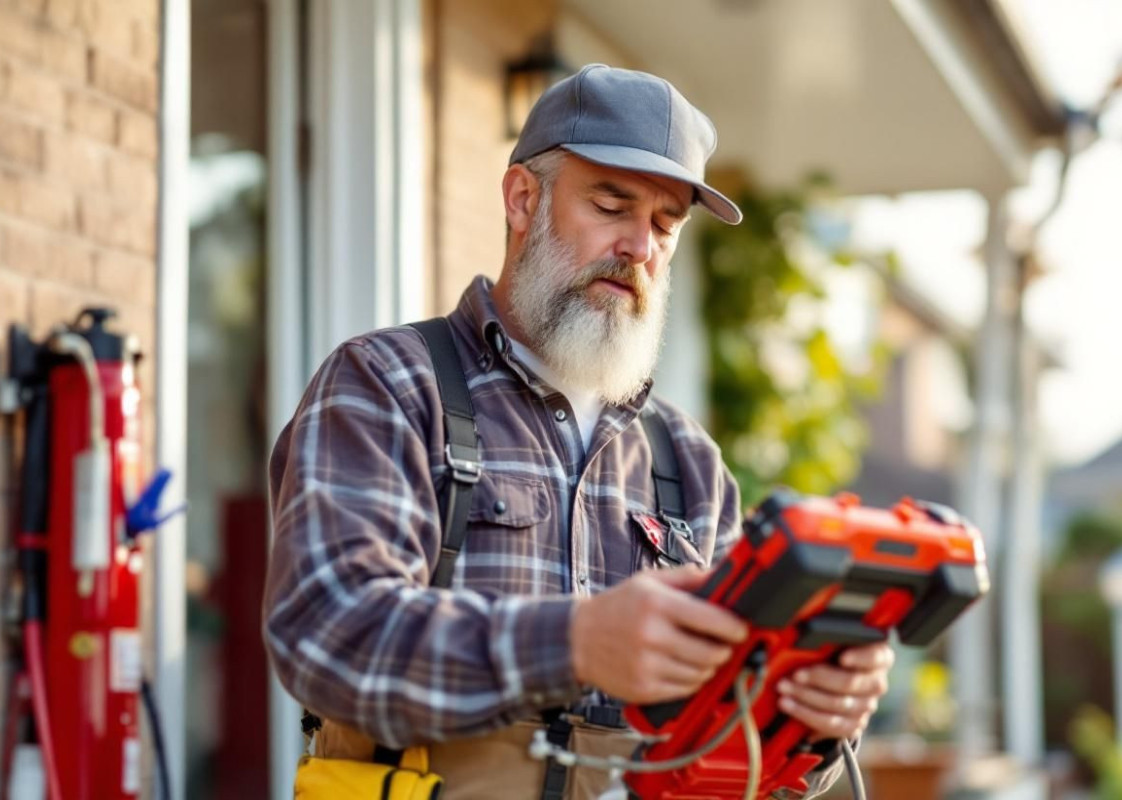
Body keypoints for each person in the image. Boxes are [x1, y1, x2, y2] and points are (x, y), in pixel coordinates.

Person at [263, 63, 895, 799]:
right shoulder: (390, 384)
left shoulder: (688, 461)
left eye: (665, 224)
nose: (641, 247)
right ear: (522, 199)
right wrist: (575, 642)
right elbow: (328, 633)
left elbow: (741, 757)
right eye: (611, 205)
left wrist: (812, 717)